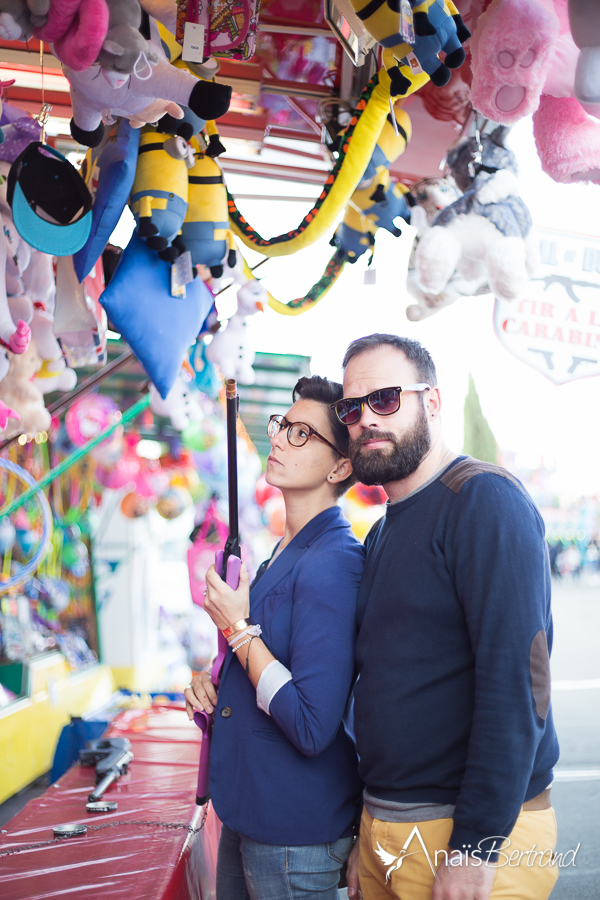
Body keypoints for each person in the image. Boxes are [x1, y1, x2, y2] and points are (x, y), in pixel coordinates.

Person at [332, 334, 560, 900]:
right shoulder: (384, 528)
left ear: (431, 402)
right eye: (351, 407)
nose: (364, 420)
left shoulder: (485, 501)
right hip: (387, 831)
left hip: (473, 842)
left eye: (385, 399)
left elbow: (517, 683)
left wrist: (475, 848)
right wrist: (369, 833)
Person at [184, 375, 365, 900]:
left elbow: (311, 724)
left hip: (294, 834)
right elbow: (257, 673)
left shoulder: (334, 561)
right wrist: (212, 690)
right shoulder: (280, 555)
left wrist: (239, 632)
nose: (281, 438)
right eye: (284, 425)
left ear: (340, 466)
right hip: (249, 812)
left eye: (303, 433)